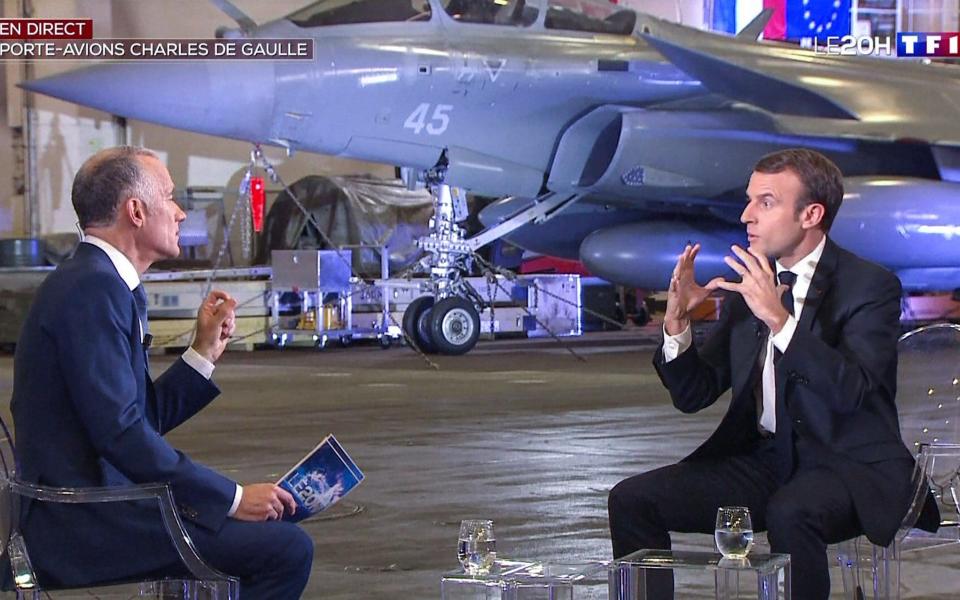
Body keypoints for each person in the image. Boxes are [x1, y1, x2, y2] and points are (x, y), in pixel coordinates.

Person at [607, 149, 938, 599]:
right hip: (766, 461)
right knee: (632, 499)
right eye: (749, 201)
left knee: (791, 512)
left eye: (765, 202)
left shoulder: (868, 285)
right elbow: (694, 394)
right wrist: (678, 325)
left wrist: (782, 322)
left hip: (846, 463)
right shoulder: (753, 287)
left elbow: (854, 392)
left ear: (811, 214)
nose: (746, 215)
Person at [11, 147, 313, 598]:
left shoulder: (97, 281)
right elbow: (122, 434)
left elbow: (132, 418)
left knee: (278, 524)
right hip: (83, 520)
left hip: (99, 503)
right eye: (170, 197)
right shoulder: (92, 289)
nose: (180, 213)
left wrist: (203, 353)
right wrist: (230, 497)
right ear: (135, 211)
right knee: (286, 550)